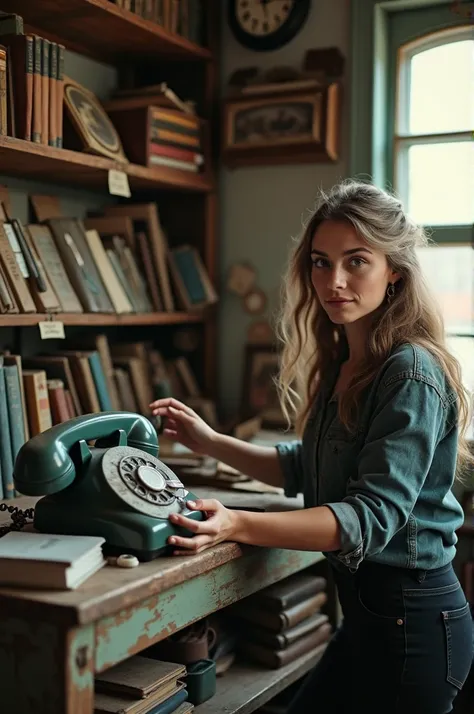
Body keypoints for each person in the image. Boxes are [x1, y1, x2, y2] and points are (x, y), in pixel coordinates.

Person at [150, 180, 474, 713]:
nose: (335, 281)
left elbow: (368, 517)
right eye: (321, 263)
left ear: (394, 269)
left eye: (356, 261)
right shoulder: (345, 361)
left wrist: (235, 522)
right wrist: (210, 442)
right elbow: (310, 467)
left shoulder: (410, 373)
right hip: (365, 621)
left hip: (413, 626)